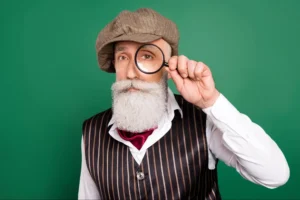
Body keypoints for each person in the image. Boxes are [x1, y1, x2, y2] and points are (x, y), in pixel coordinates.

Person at [78, 8, 290, 200]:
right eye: (123, 57)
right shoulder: (91, 132)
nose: (131, 72)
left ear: (169, 66)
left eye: (147, 55)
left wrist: (211, 101)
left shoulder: (203, 119)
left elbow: (275, 175)